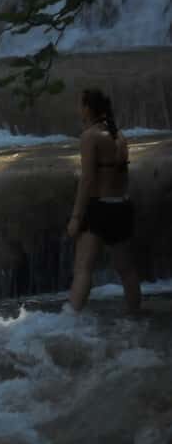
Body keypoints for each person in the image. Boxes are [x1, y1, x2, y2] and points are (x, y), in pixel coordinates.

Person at [66, 89, 141, 313]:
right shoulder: (120, 136)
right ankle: (134, 317)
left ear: (87, 108)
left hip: (99, 208)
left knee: (83, 270)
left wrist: (76, 217)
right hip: (122, 206)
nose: (78, 109)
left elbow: (87, 179)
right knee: (127, 270)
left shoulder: (90, 137)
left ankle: (68, 323)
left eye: (80, 105)